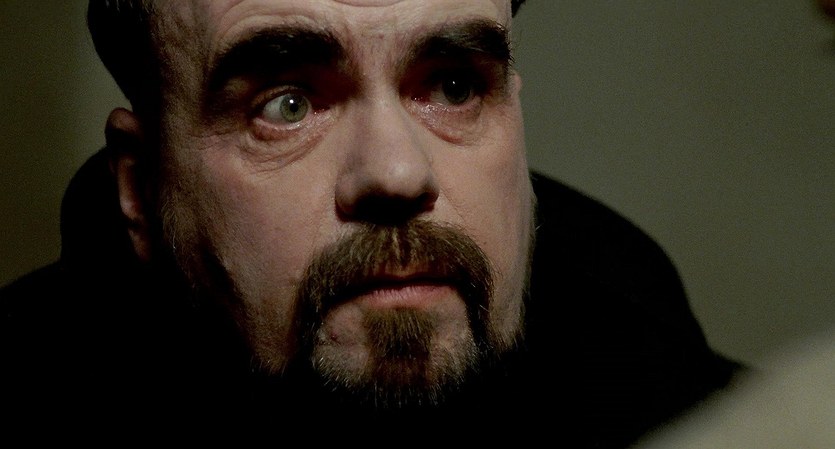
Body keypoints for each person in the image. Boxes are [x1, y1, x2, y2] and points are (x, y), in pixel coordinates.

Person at [0, 0, 740, 446]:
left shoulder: (690, 406)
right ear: (139, 186)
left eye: (454, 86)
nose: (398, 173)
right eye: (287, 104)